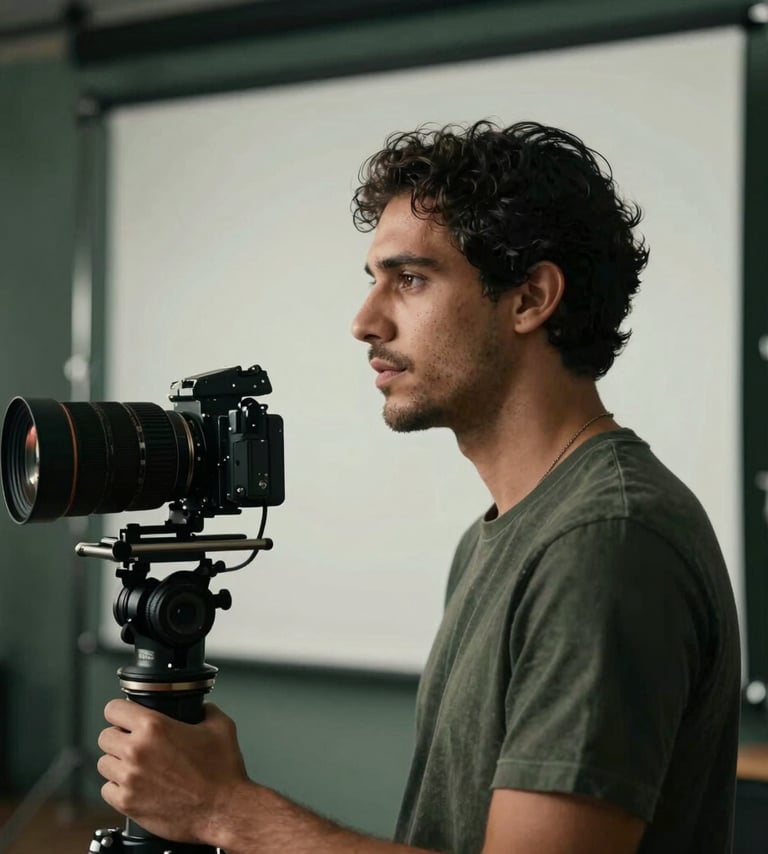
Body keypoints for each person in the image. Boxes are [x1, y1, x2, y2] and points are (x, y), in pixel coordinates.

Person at [97, 121, 741, 854]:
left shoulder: (603, 542)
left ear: (531, 298)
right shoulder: (499, 536)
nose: (365, 322)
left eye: (410, 279)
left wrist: (225, 812)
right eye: (374, 281)